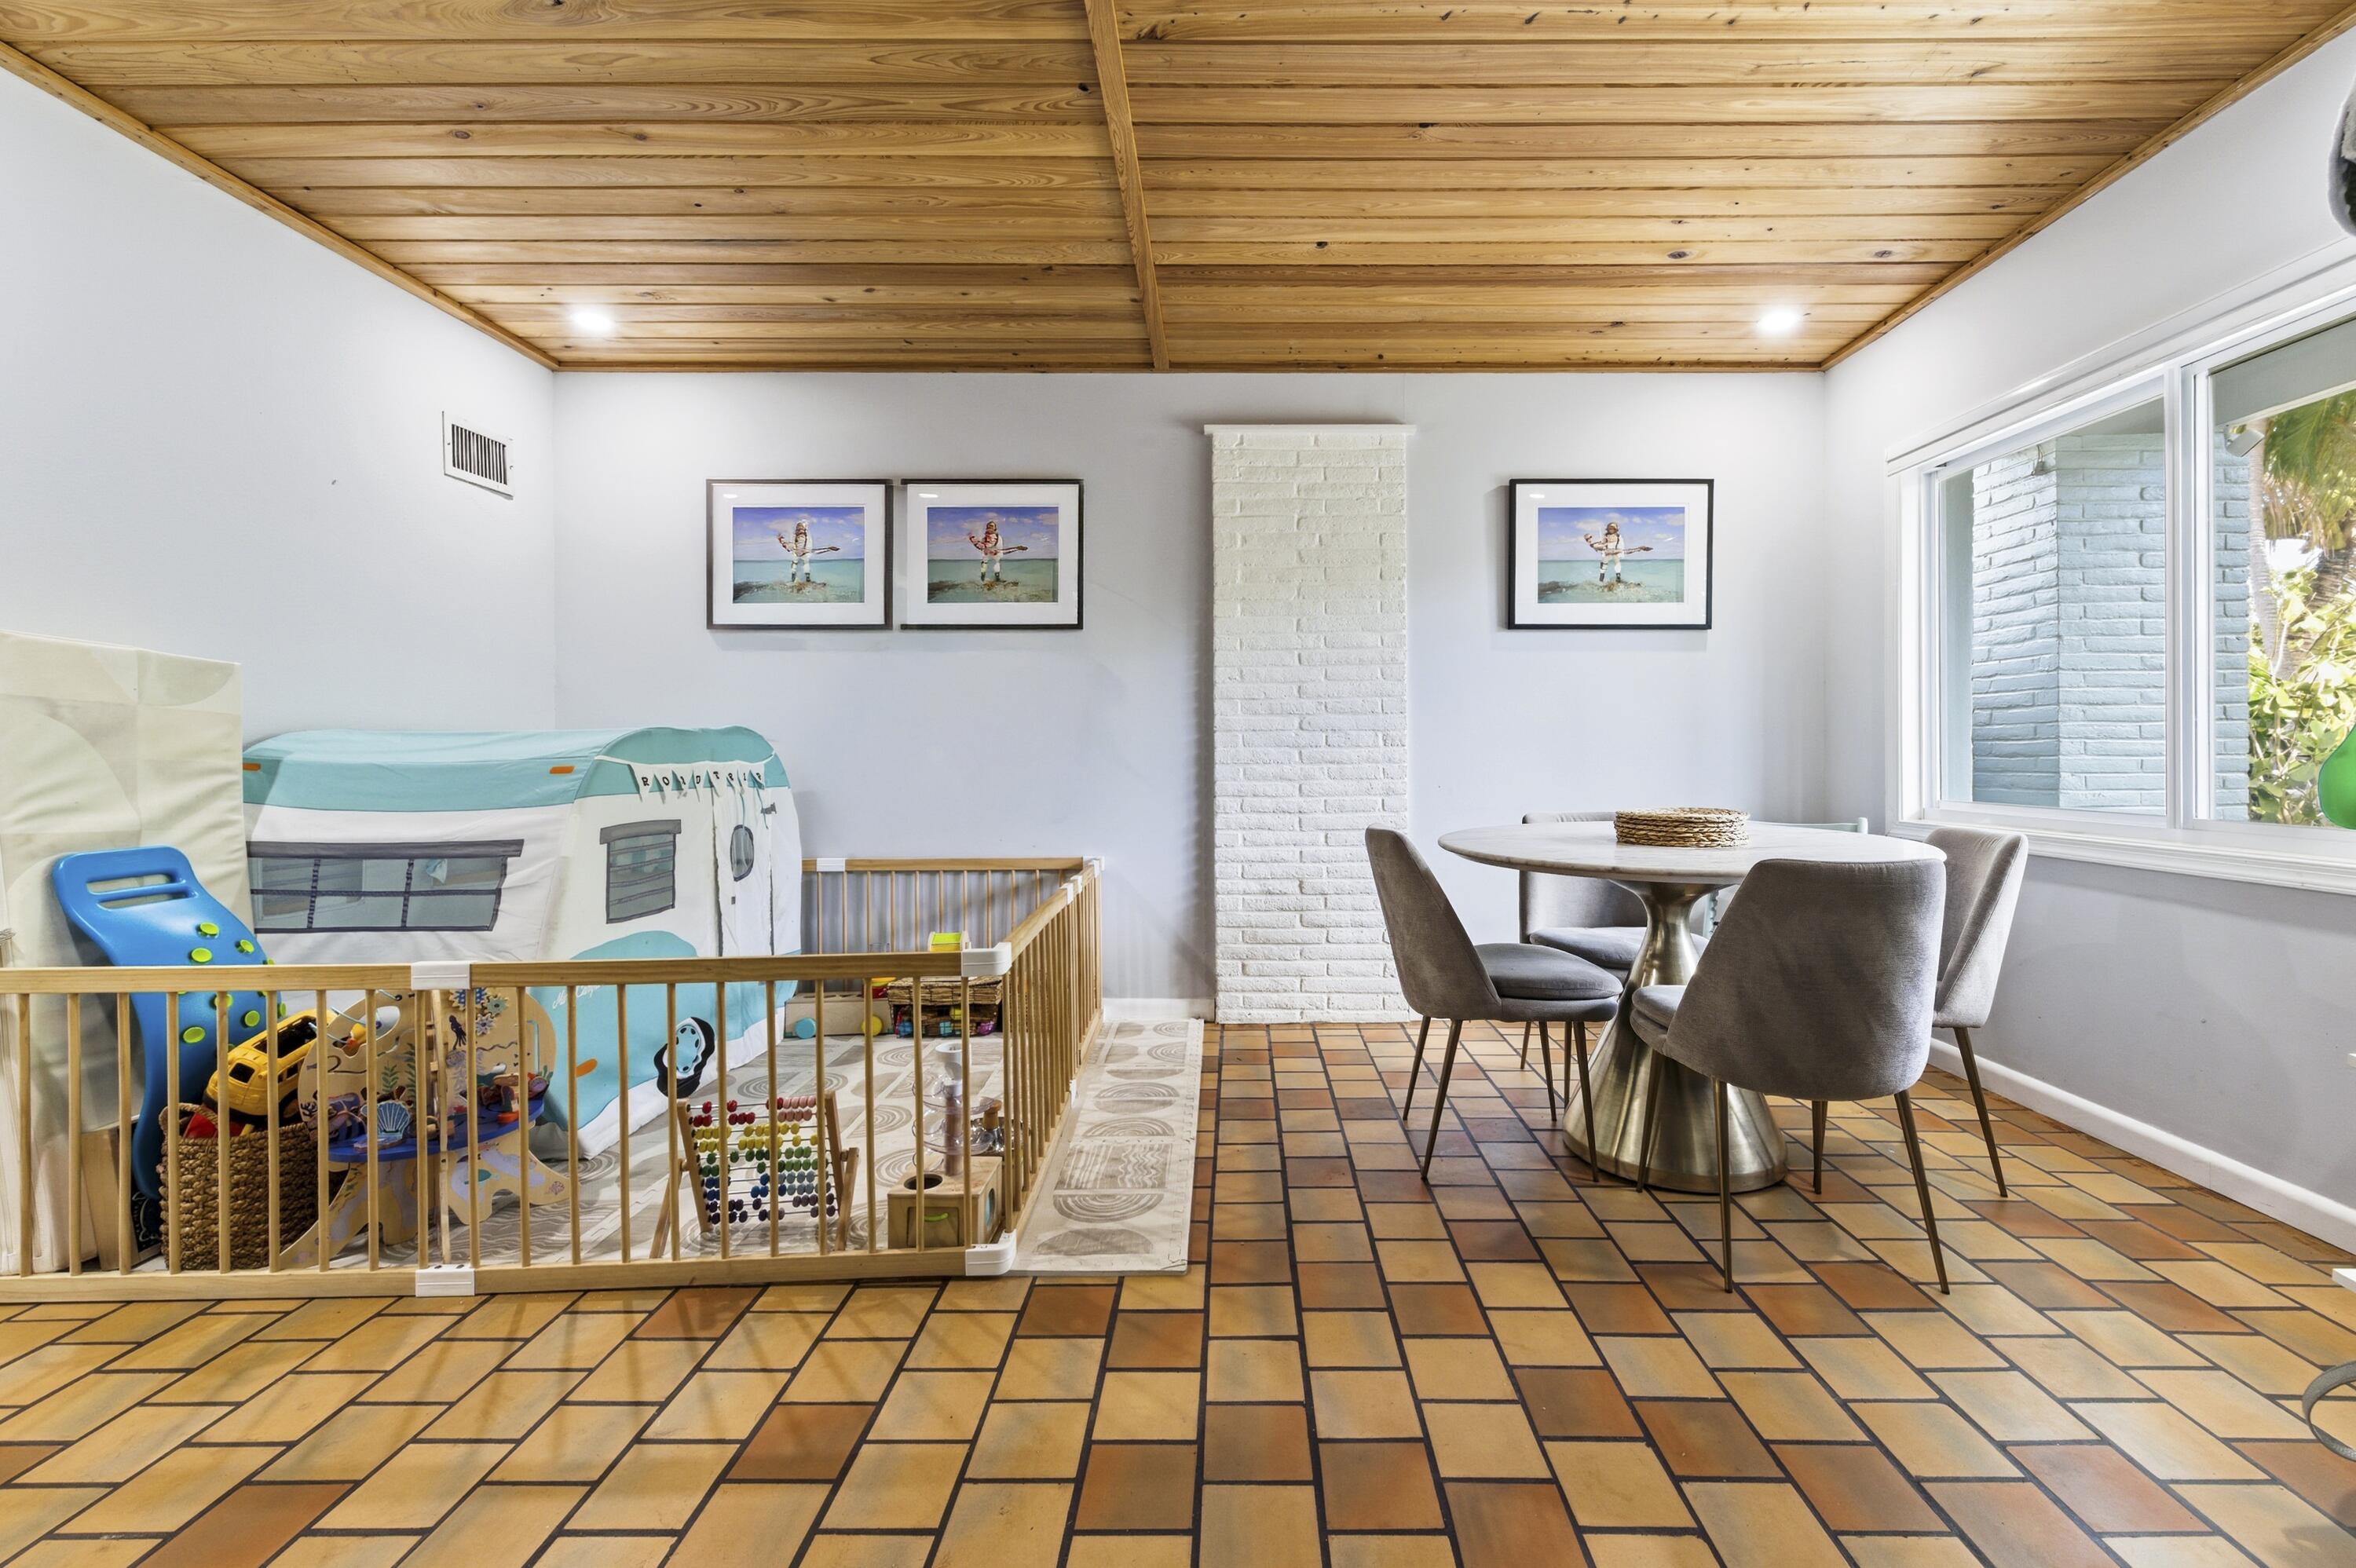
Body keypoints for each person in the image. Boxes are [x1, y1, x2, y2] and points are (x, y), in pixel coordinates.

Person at [1582, 519, 1652, 589]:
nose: (1611, 530)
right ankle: (1601, 580)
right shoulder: (1603, 537)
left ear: (1615, 529)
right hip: (1607, 552)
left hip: (1615, 551)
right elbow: (1600, 544)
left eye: (1612, 528)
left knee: (1617, 561)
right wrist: (1603, 544)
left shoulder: (1618, 536)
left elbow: (1621, 547)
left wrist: (1615, 548)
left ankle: (1618, 579)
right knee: (1604, 565)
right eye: (1610, 528)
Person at [777, 518, 840, 588]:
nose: (799, 531)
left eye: (801, 530)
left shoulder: (806, 540)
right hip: (798, 553)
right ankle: (794, 581)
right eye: (798, 529)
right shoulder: (795, 540)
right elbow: (789, 546)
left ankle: (807, 581)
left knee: (805, 563)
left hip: (804, 553)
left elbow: (814, 551)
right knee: (795, 564)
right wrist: (782, 542)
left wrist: (829, 549)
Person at [966, 516, 1029, 585]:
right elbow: (982, 547)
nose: (989, 527)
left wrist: (973, 539)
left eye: (991, 526)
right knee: (987, 562)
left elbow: (984, 546)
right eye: (988, 526)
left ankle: (991, 579)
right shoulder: (987, 538)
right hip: (992, 553)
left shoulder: (993, 537)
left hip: (995, 553)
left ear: (995, 529)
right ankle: (986, 579)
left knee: (993, 562)